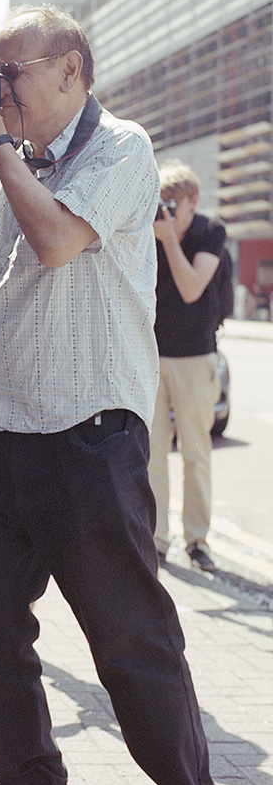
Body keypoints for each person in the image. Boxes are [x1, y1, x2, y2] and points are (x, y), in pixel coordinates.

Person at [0, 4, 225, 785]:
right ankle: (29, 778)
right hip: (2, 428)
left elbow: (56, 241)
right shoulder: (8, 155)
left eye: (10, 74)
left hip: (90, 432)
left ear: (71, 73)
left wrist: (3, 149)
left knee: (127, 636)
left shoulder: (121, 149)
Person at [149, 161, 225, 573]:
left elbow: (193, 288)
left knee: (196, 452)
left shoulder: (209, 232)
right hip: (152, 356)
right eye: (164, 203)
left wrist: (170, 242)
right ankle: (157, 541)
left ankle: (197, 541)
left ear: (193, 201)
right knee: (152, 453)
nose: (168, 211)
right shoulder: (150, 229)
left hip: (195, 358)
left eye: (175, 204)